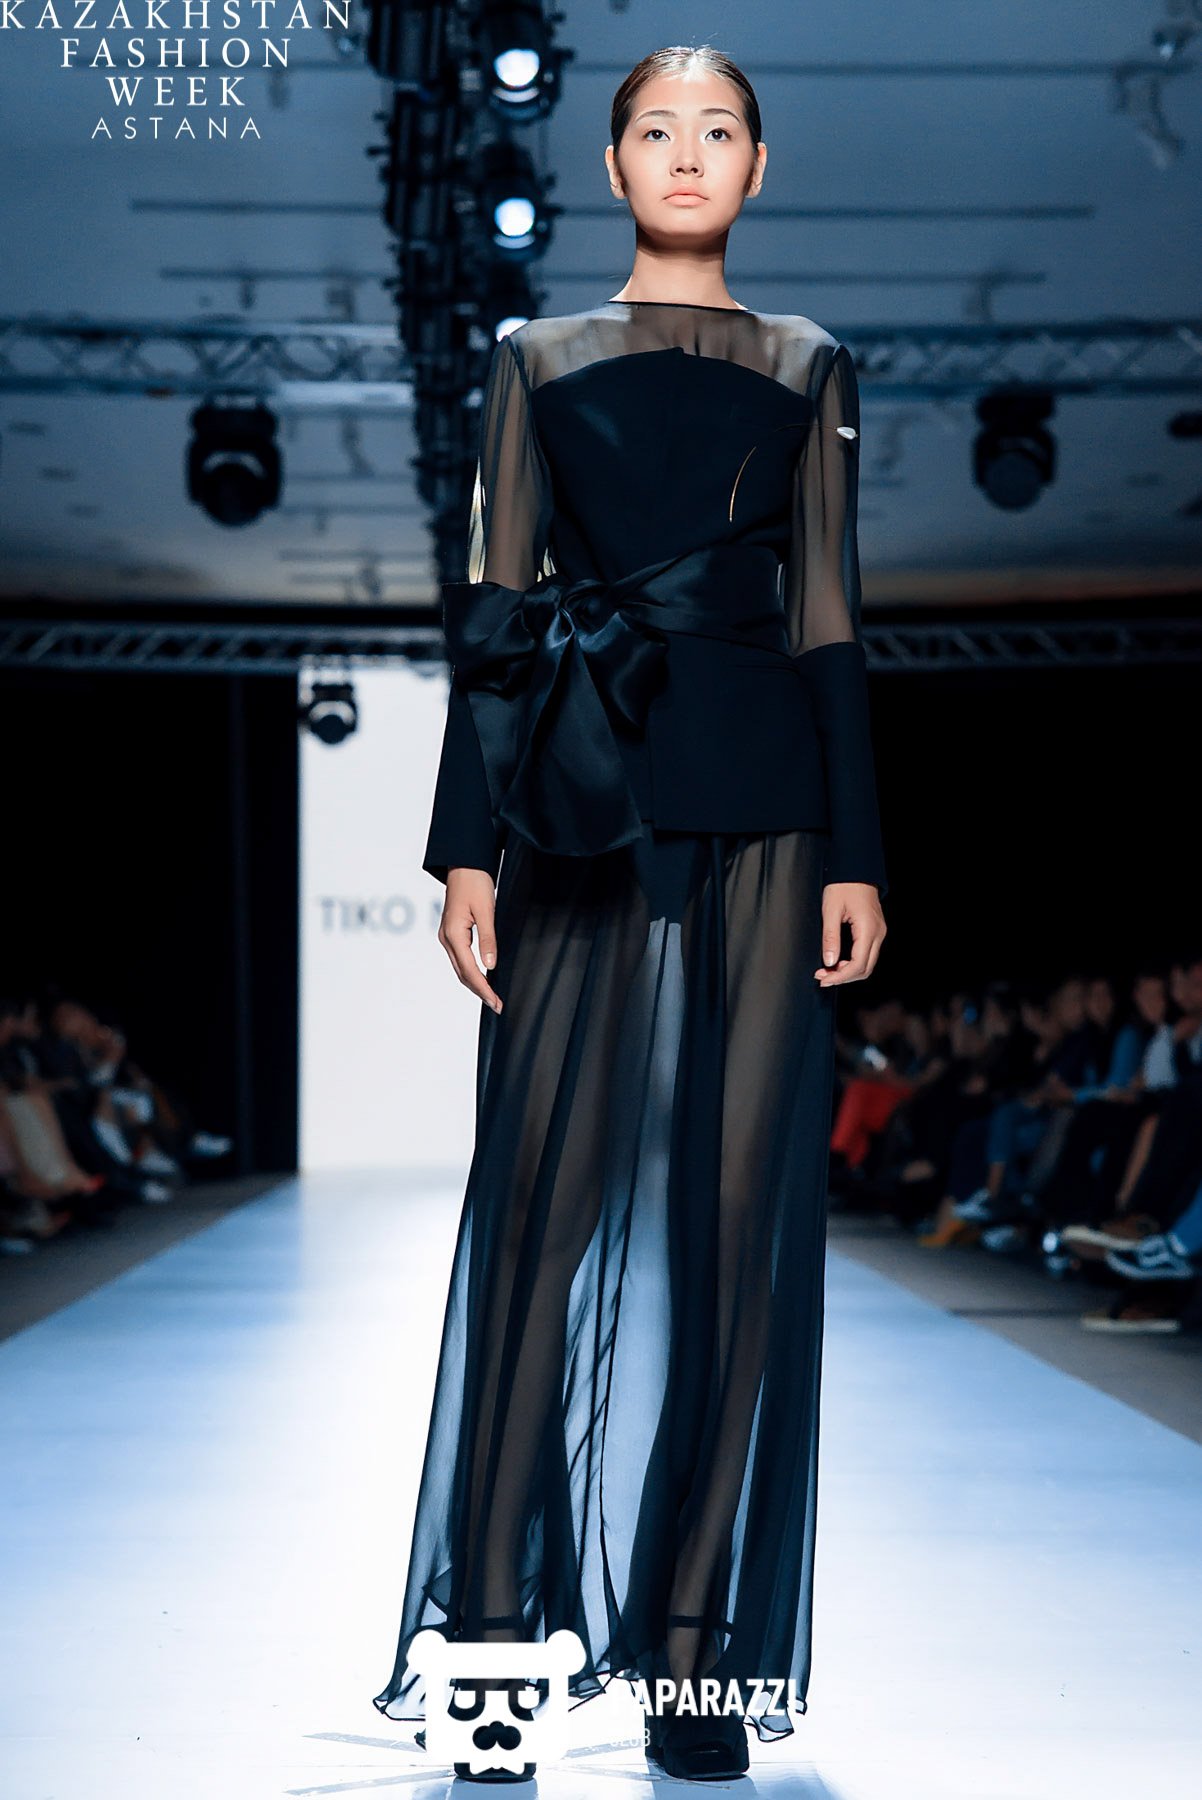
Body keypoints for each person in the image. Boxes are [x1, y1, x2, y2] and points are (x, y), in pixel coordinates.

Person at [373, 45, 889, 1784]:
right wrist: (462, 849)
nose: (685, 153)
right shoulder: (533, 358)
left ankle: (690, 1659)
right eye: (655, 130)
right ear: (608, 166)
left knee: (740, 1223)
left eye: (716, 130)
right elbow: (498, 608)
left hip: (766, 803)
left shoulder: (808, 364)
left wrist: (857, 852)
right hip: (577, 795)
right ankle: (492, 1645)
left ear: (759, 166)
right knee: (541, 1205)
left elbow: (828, 617)